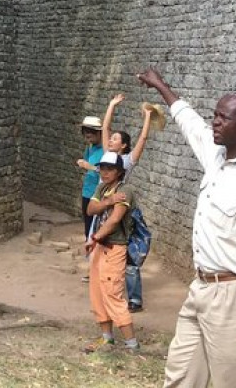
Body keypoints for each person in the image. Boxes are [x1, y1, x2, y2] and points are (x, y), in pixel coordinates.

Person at [137, 67, 236, 388]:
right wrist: (161, 86)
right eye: (214, 115)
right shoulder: (217, 156)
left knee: (230, 383)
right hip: (200, 288)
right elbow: (189, 123)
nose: (215, 122)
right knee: (180, 377)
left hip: (233, 298)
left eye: (223, 118)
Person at [82, 151, 140, 353]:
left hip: (114, 247)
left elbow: (115, 219)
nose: (105, 172)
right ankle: (107, 338)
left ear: (119, 171)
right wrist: (107, 201)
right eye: (103, 168)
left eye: (110, 169)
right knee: (97, 292)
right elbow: (90, 209)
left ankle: (132, 344)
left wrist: (95, 238)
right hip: (99, 247)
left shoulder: (126, 191)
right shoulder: (102, 188)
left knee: (112, 293)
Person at [101, 94, 153, 312]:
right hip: (107, 207)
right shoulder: (107, 158)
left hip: (124, 209)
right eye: (110, 139)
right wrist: (111, 105)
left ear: (123, 146)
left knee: (130, 256)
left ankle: (134, 299)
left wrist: (148, 118)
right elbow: (104, 130)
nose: (110, 140)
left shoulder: (126, 161)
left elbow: (142, 139)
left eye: (115, 139)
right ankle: (112, 292)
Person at [76, 115, 105, 240]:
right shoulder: (90, 147)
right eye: (85, 132)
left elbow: (108, 173)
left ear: (99, 133)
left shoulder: (106, 150)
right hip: (87, 191)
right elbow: (87, 163)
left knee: (98, 225)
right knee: (88, 225)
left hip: (99, 193)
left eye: (91, 132)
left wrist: (91, 167)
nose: (88, 136)